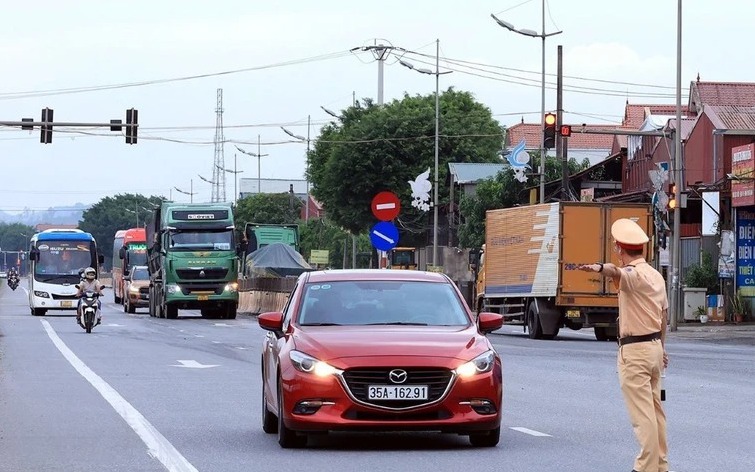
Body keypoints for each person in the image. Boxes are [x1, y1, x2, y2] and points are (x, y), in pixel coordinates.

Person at [578, 218, 669, 472]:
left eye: (617, 249)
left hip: (636, 352)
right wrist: (662, 348)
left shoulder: (634, 274)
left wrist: (597, 267)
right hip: (654, 349)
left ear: (620, 249)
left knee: (642, 416)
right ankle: (661, 465)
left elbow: (617, 273)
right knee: (655, 410)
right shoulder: (656, 276)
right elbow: (663, 318)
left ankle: (645, 467)